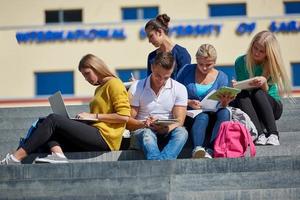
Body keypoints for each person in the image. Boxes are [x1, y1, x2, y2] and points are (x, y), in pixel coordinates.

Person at [0, 54, 131, 164]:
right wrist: (82, 120)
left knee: (53, 119)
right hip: (95, 132)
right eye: (83, 75)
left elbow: (124, 116)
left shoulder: (115, 84)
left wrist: (93, 116)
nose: (86, 79)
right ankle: (58, 155)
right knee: (43, 123)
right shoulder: (99, 88)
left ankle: (15, 158)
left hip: (106, 138)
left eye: (87, 73)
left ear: (96, 67)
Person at [232, 30, 291, 146]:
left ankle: (273, 134)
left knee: (257, 92)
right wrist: (236, 86)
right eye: (255, 48)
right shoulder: (240, 61)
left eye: (262, 51)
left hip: (272, 106)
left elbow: (265, 93)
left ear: (268, 53)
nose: (257, 53)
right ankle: (259, 134)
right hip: (249, 104)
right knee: (241, 94)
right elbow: (244, 89)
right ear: (252, 45)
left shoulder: (272, 63)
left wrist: (264, 82)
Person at [126, 52, 188, 160]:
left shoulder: (180, 88)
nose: (161, 80)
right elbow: (128, 122)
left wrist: (165, 129)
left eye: (166, 77)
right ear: (152, 67)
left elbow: (179, 121)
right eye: (158, 75)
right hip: (143, 130)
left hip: (167, 130)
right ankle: (160, 165)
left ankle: (158, 164)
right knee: (147, 135)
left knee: (182, 133)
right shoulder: (137, 87)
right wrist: (144, 124)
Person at [177, 44, 234, 159]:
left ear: (215, 62)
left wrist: (224, 102)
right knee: (203, 116)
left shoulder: (222, 77)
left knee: (225, 112)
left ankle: (211, 149)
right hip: (192, 114)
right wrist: (188, 102)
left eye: (208, 65)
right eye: (200, 64)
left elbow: (222, 105)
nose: (204, 68)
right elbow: (174, 92)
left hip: (214, 112)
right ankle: (198, 149)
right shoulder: (186, 70)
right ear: (196, 60)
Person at [145, 13, 191, 79]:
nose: (149, 41)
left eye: (151, 36)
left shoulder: (181, 53)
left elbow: (184, 80)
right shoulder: (151, 57)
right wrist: (138, 83)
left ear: (160, 32)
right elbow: (149, 82)